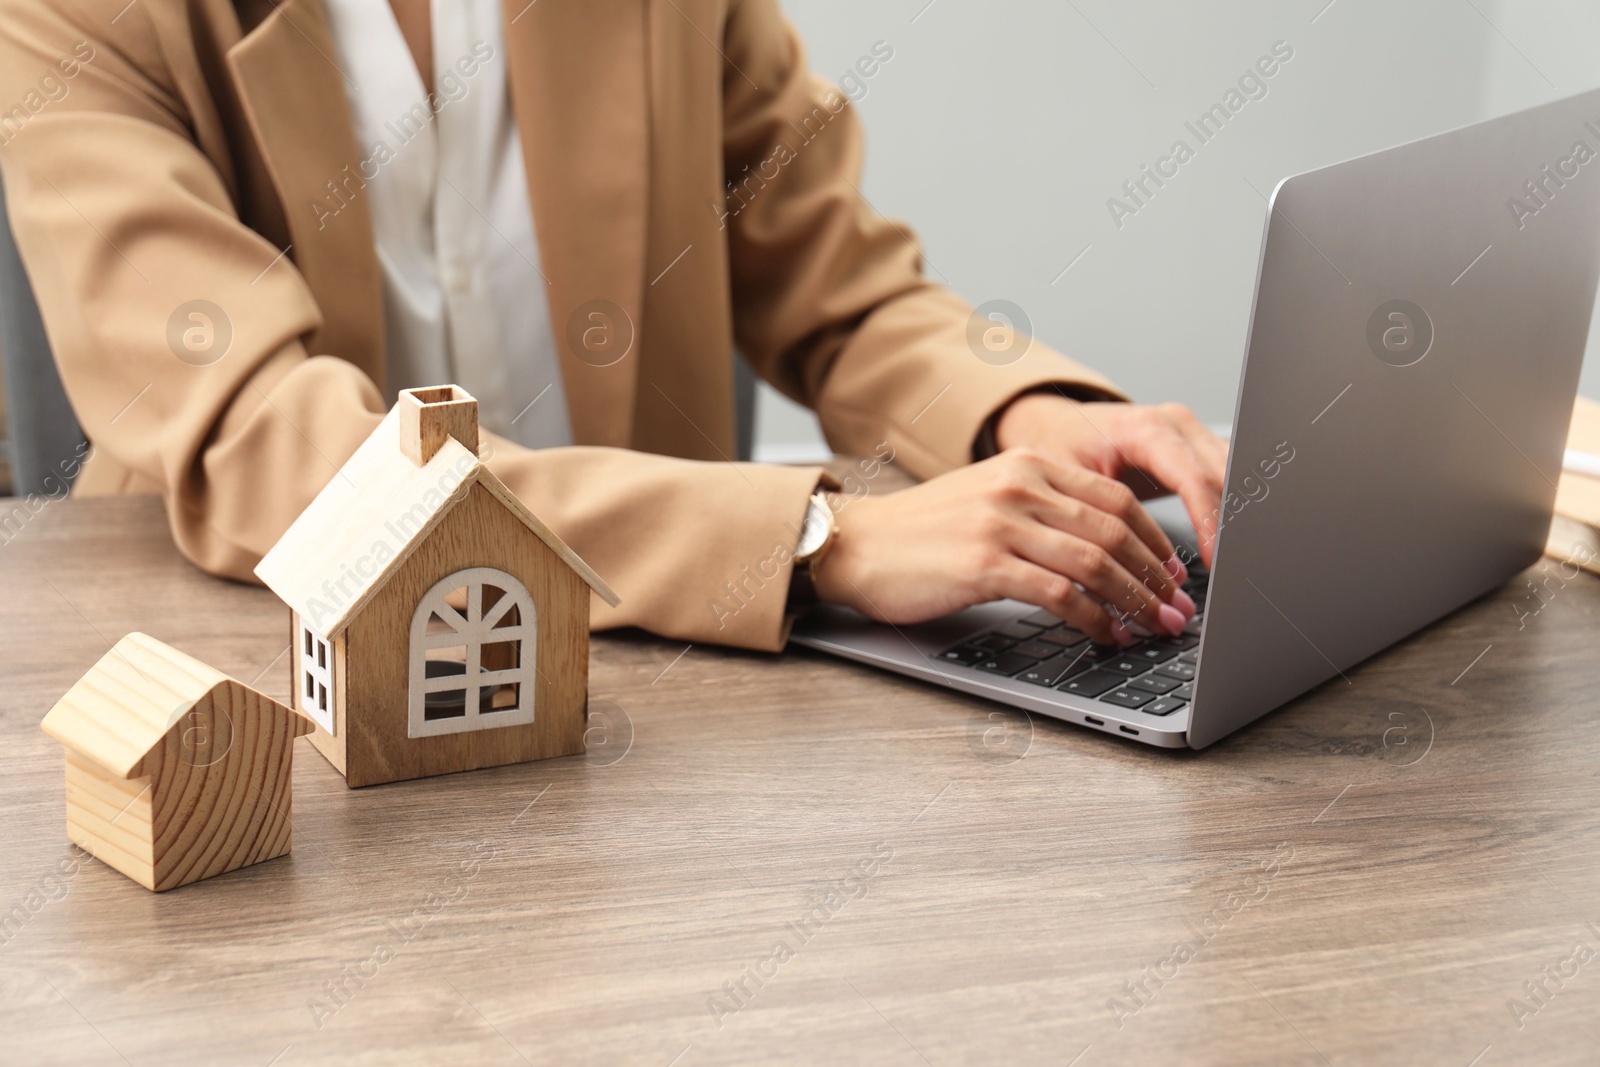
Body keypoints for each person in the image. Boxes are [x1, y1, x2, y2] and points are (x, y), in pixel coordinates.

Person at [0, 0, 1224, 651]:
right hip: (263, 699)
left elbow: (836, 280)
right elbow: (268, 449)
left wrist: (1033, 414)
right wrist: (808, 543)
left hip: (652, 691)